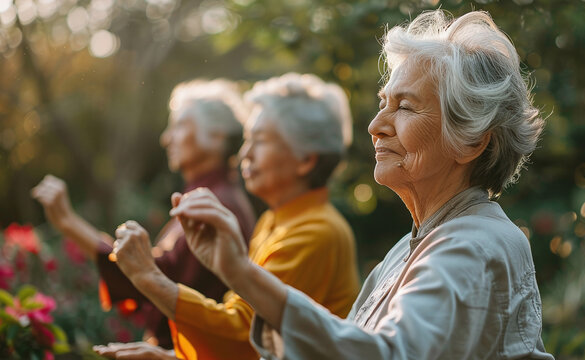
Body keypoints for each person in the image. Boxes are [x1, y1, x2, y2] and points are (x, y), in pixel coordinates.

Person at [162, 10, 555, 359]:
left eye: (404, 107)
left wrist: (239, 273)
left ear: (471, 141)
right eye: (383, 103)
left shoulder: (474, 245)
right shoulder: (412, 245)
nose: (375, 127)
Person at [95, 73, 360, 360]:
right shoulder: (275, 222)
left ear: (306, 160)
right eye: (247, 140)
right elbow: (244, 320)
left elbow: (247, 336)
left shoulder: (317, 232)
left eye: (259, 141)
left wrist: (149, 277)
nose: (244, 153)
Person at [31, 79, 256, 349]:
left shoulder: (214, 203)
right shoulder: (212, 196)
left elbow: (154, 278)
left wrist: (69, 223)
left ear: (218, 135)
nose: (166, 138)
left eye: (179, 126)